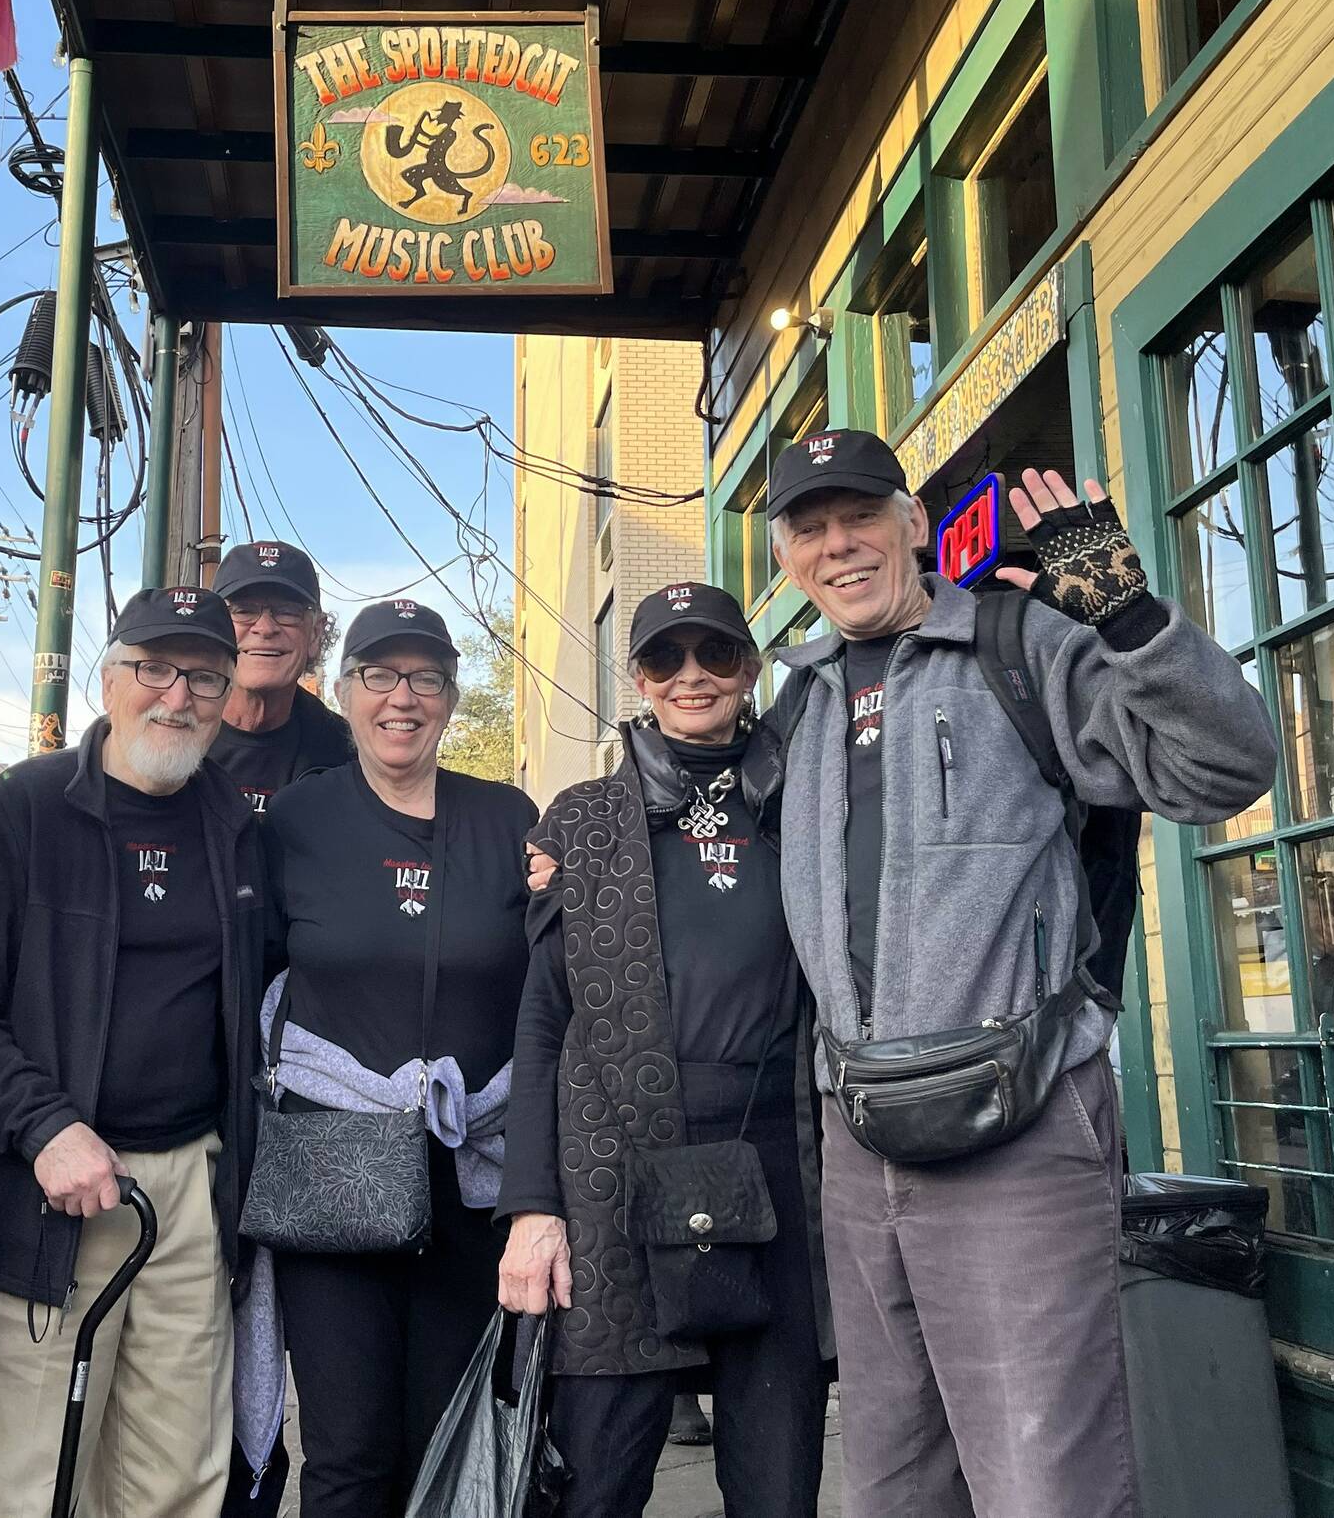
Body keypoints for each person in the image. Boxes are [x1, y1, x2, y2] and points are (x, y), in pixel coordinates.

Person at [764, 430, 1279, 1518]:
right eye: (808, 527)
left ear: (911, 521)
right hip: (859, 1142)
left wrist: (1127, 615)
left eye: (858, 514)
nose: (837, 544)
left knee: (1046, 1480)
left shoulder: (1021, 642)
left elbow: (1220, 767)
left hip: (1024, 1119)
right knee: (893, 1481)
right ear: (784, 557)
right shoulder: (796, 703)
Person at [0, 586, 263, 1518]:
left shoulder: (236, 828)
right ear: (110, 678)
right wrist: (45, 1126)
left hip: (189, 1190)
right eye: (154, 667)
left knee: (178, 1476)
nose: (177, 695)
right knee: (12, 1483)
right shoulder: (24, 808)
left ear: (228, 695)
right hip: (43, 1191)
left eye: (203, 676)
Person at [497, 581, 831, 1518]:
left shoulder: (802, 798)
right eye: (664, 660)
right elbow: (542, 1020)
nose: (692, 677)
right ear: (638, 677)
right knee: (594, 1481)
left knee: (779, 1484)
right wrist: (532, 1205)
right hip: (615, 1175)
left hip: (776, 1163)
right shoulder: (581, 819)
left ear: (751, 667)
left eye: (716, 654)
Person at [259, 597, 537, 1516]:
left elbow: (546, 1000)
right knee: (347, 1450)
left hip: (470, 1178)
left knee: (446, 1440)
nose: (401, 698)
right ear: (343, 692)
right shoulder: (294, 821)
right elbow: (251, 989)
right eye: (379, 675)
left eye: (424, 678)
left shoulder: (506, 819)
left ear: (452, 698)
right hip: (333, 1175)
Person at [210, 539, 354, 811]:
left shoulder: (349, 757)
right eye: (244, 611)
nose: (265, 628)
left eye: (287, 612)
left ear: (315, 633)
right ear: (215, 627)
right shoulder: (171, 735)